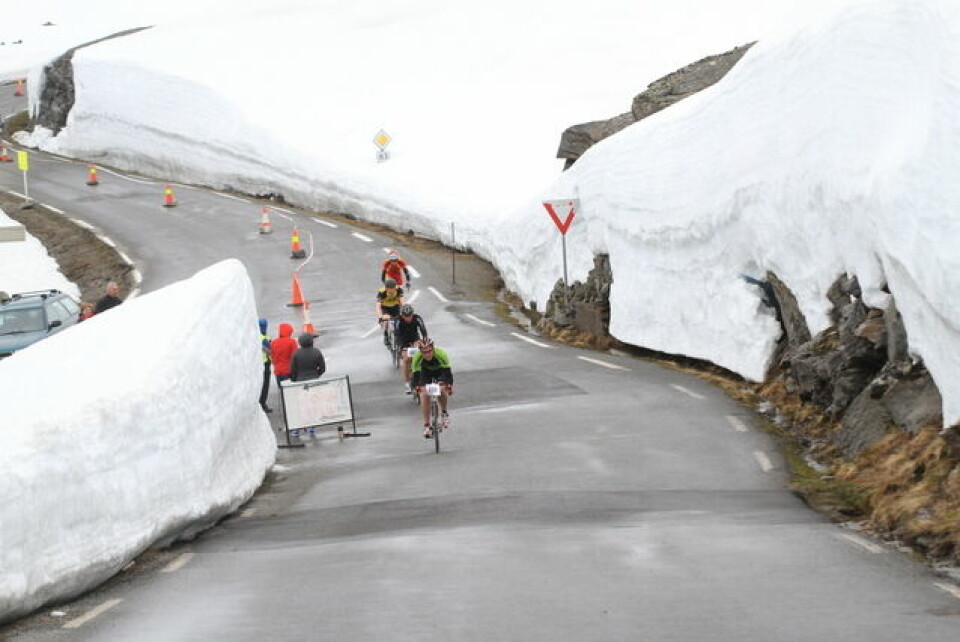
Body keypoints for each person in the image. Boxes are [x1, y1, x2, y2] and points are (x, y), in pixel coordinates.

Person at [410, 338, 454, 438]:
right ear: (420, 351)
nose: (427, 354)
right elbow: (415, 375)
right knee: (424, 394)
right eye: (424, 352)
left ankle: (444, 412)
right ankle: (427, 425)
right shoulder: (417, 357)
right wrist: (416, 387)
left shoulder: (441, 354)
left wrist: (449, 385)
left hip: (440, 371)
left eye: (429, 351)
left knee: (442, 389)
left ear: (433, 349)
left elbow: (448, 372)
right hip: (425, 373)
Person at [395, 304, 428, 394]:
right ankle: (407, 383)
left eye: (410, 315)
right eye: (405, 316)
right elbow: (397, 336)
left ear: (412, 314)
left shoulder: (417, 318)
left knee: (421, 353)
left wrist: (424, 342)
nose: (408, 318)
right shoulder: (398, 320)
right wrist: (400, 348)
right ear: (402, 315)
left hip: (415, 340)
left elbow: (424, 331)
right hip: (403, 341)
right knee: (406, 359)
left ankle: (421, 374)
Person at [375, 278, 404, 346]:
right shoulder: (382, 292)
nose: (391, 290)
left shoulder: (399, 290)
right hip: (385, 308)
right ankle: (386, 335)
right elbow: (378, 306)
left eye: (392, 289)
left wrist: (404, 312)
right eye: (389, 289)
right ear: (386, 288)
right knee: (386, 319)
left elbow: (403, 302)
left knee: (399, 321)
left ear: (395, 287)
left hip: (395, 306)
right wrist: (380, 318)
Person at [270, 322, 298, 387]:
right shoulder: (292, 342)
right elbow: (295, 356)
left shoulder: (274, 342)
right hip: (288, 371)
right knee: (289, 391)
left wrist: (277, 365)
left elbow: (272, 357)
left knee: (281, 390)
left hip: (278, 371)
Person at [258, 318, 273, 413]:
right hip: (264, 364)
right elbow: (267, 350)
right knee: (264, 385)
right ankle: (262, 404)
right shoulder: (262, 338)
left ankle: (262, 403)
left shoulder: (263, 336)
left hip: (263, 363)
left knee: (263, 385)